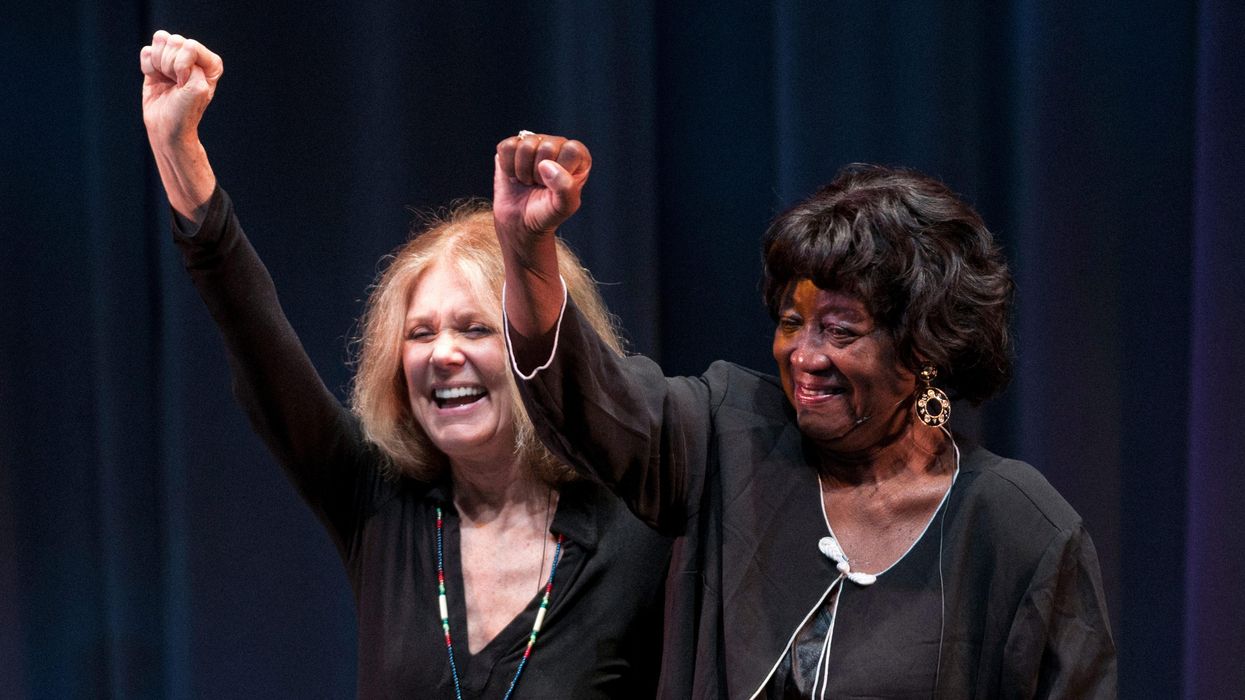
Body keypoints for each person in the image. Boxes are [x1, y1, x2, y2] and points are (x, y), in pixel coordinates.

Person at [140, 32, 670, 698]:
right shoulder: (378, 503)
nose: (443, 354)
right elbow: (256, 338)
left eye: (475, 328)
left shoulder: (639, 526)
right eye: (420, 334)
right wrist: (176, 147)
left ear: (541, 346)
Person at [493, 134, 1117, 698]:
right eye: (792, 323)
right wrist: (526, 250)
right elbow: (587, 399)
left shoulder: (1015, 527)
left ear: (925, 345)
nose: (805, 355)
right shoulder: (724, 434)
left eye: (841, 331)